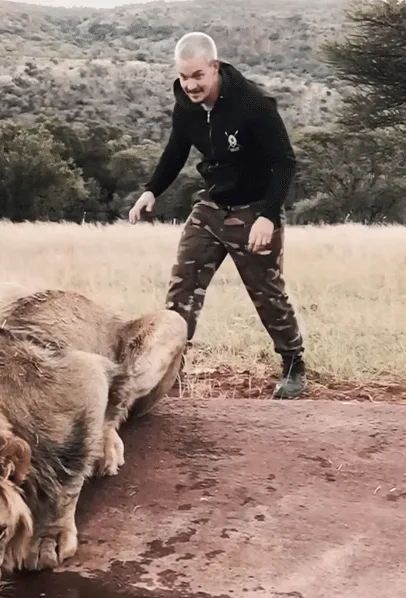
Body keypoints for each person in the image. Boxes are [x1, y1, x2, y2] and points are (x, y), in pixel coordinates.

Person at [128, 31, 306, 399]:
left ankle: (293, 365)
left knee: (267, 292)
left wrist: (268, 215)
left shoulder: (254, 105)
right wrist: (151, 190)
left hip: (254, 209)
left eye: (197, 76)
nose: (190, 85)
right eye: (183, 77)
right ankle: (170, 371)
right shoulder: (186, 105)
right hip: (211, 205)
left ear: (214, 67)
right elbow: (176, 151)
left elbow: (284, 162)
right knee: (182, 288)